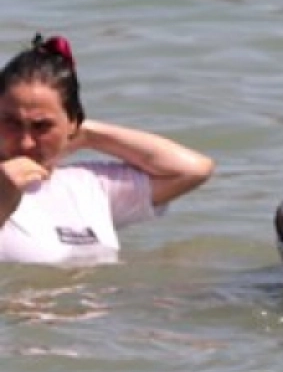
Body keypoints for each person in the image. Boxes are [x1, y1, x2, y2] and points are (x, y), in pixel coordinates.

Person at [0, 34, 215, 265]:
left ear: (72, 122)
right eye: (10, 122)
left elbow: (192, 170)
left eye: (42, 126)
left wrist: (88, 136)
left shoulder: (90, 186)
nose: (26, 142)